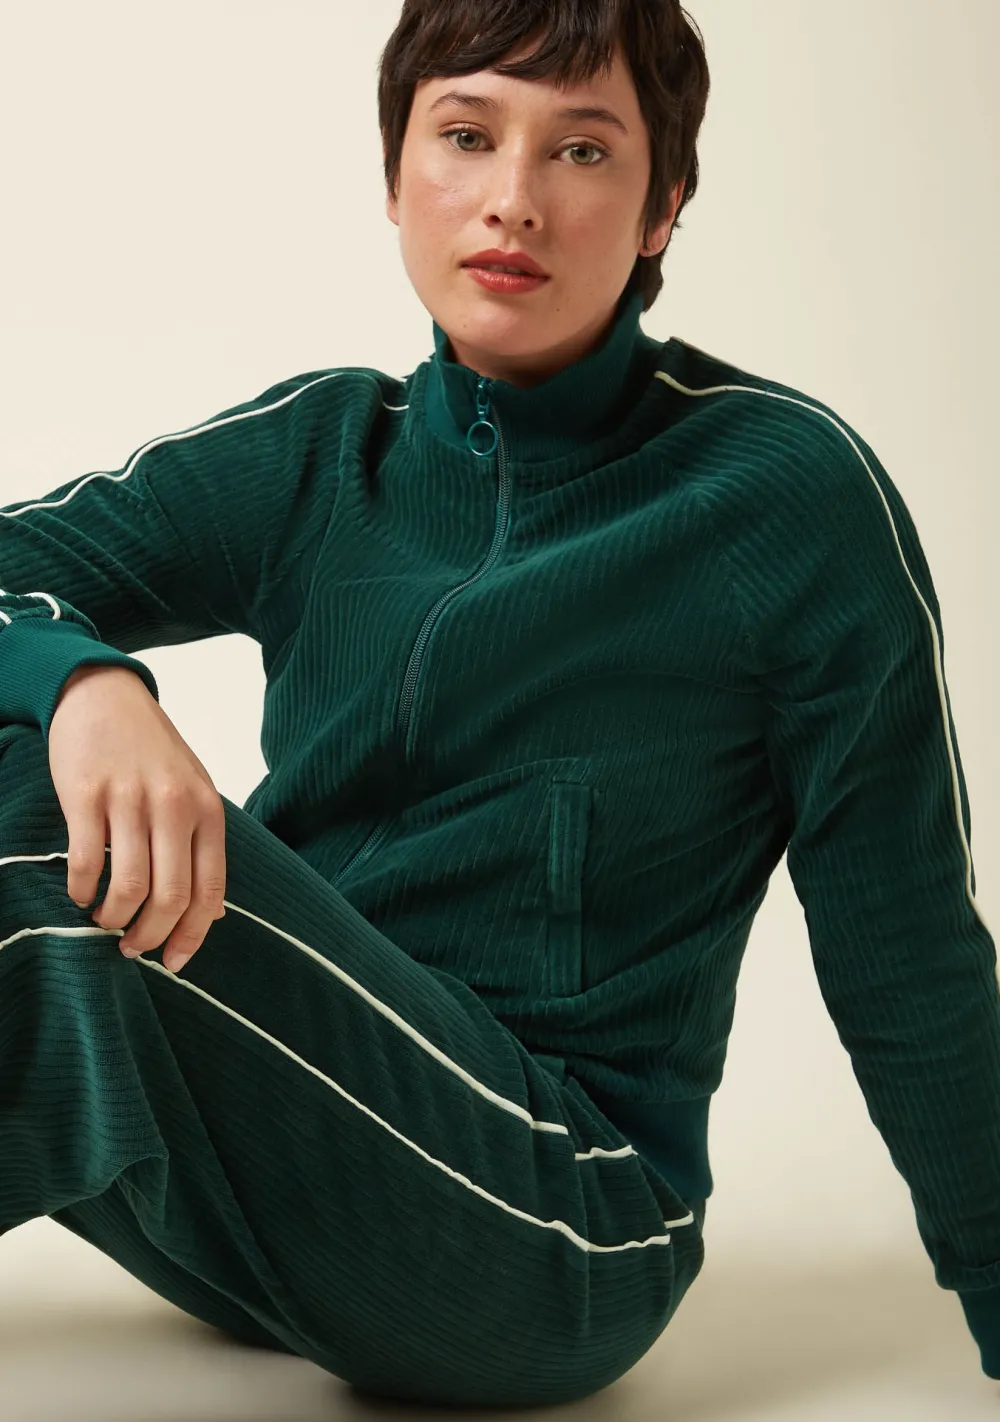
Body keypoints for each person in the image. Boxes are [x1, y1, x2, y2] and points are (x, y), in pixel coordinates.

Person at [0, 0, 997, 1405]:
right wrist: (83, 680)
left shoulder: (781, 498)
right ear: (396, 172)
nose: (513, 200)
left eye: (582, 151)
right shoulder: (321, 455)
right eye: (466, 135)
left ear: (664, 205)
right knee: (29, 734)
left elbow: (908, 953)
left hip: (552, 1219)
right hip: (264, 1193)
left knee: (42, 824)